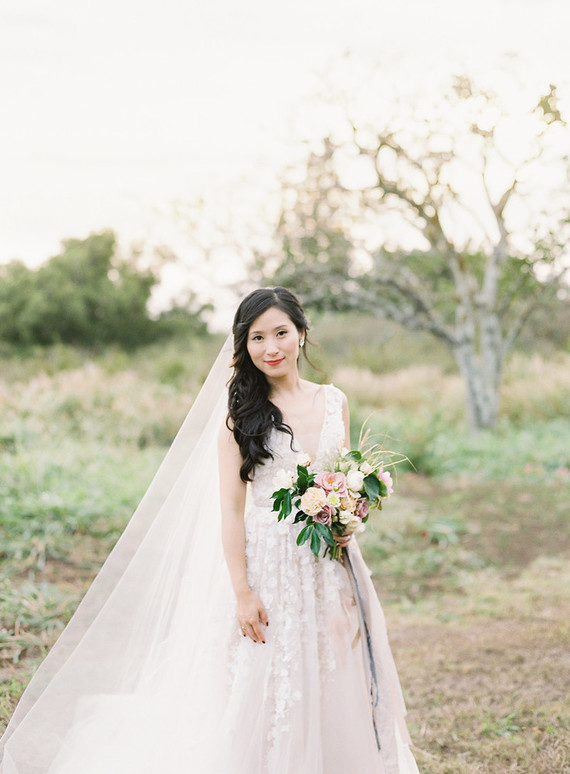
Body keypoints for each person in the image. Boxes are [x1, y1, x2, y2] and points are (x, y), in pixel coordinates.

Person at [0, 287, 420, 774]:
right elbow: (230, 509)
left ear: (302, 334)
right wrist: (242, 591)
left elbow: (341, 478)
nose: (271, 348)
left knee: (334, 669)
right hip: (268, 566)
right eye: (257, 338)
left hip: (328, 564)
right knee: (270, 681)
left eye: (281, 333)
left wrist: (349, 519)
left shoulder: (334, 402)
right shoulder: (239, 415)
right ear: (244, 346)